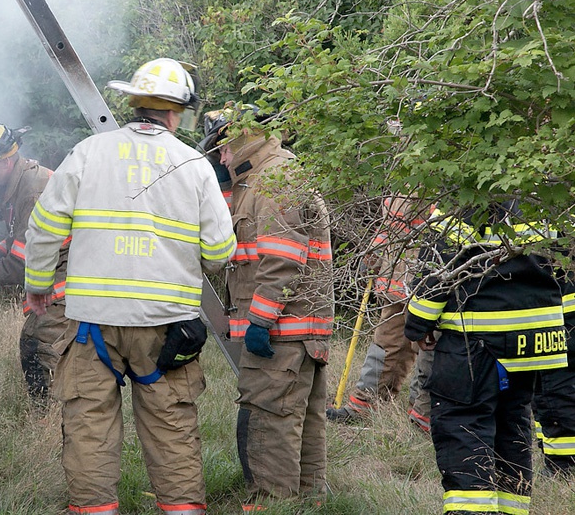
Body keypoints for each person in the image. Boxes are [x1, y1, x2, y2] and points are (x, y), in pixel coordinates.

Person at [24, 58, 236, 515]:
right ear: (178, 112)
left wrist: (38, 285)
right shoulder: (195, 165)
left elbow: (42, 227)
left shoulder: (88, 153)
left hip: (92, 324)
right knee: (172, 425)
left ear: (135, 103)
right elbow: (220, 253)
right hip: (168, 327)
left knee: (89, 425)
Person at [206, 105, 335, 506]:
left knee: (268, 422)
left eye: (222, 150)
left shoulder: (275, 179)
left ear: (240, 139)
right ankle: (308, 503)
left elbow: (282, 259)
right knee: (300, 422)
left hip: (282, 331)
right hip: (299, 331)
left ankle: (270, 506)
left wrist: (260, 321)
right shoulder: (271, 175)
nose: (221, 159)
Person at [404, 203, 567, 515]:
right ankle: (512, 509)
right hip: (534, 341)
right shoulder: (543, 193)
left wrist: (417, 324)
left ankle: (472, 510)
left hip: (479, 339)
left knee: (463, 423)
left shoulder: (467, 196)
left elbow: (438, 273)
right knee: (513, 422)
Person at [0, 122, 68, 404]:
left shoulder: (33, 191)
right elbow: (20, 239)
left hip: (68, 285)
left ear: (4, 161)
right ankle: (44, 417)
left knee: (44, 348)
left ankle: (53, 423)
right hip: (52, 281)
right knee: (31, 345)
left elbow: (20, 264)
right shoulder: (23, 183)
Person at [327, 195, 435, 431]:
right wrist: (373, 253)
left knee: (427, 353)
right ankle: (365, 405)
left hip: (425, 290)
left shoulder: (445, 184)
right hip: (393, 284)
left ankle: (420, 418)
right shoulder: (402, 184)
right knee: (384, 346)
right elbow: (388, 228)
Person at [533, 265, 575, 475]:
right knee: (543, 392)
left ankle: (564, 466)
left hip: (563, 320)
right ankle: (554, 459)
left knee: (556, 392)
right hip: (555, 316)